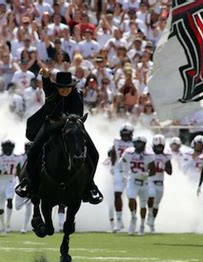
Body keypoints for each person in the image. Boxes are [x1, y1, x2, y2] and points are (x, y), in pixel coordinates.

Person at [15, 67, 103, 205]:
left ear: (71, 87)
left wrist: (68, 122)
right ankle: (29, 182)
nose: (65, 90)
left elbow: (77, 116)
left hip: (72, 128)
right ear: (57, 87)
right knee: (33, 151)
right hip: (51, 126)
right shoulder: (51, 91)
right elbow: (47, 83)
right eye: (62, 87)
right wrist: (45, 75)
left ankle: (90, 185)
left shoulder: (77, 96)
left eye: (68, 87)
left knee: (95, 154)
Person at [120, 136, 156, 235]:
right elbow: (122, 162)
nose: (138, 145)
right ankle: (133, 217)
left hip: (144, 182)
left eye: (140, 143)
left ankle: (142, 226)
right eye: (137, 143)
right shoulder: (129, 152)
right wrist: (124, 173)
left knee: (143, 205)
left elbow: (153, 170)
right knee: (131, 198)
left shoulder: (149, 154)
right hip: (132, 180)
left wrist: (147, 175)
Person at [109, 123, 134, 232]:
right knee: (117, 193)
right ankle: (119, 221)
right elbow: (114, 152)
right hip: (119, 170)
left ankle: (134, 220)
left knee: (131, 196)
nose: (125, 136)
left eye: (127, 134)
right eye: (123, 134)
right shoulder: (117, 141)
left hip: (131, 171)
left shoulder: (135, 143)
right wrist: (112, 165)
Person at [146, 134, 172, 233]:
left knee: (156, 204)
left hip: (160, 181)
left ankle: (152, 222)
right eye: (157, 146)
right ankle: (149, 215)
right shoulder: (149, 154)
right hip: (150, 180)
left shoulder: (166, 156)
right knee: (151, 195)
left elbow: (170, 172)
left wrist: (164, 167)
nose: (159, 148)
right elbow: (146, 167)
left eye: (161, 147)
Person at [14, 142, 33, 234]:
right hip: (21, 183)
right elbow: (16, 169)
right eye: (27, 148)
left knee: (29, 207)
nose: (28, 150)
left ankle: (24, 227)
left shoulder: (38, 155)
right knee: (17, 207)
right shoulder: (20, 157)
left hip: (31, 184)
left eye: (30, 148)